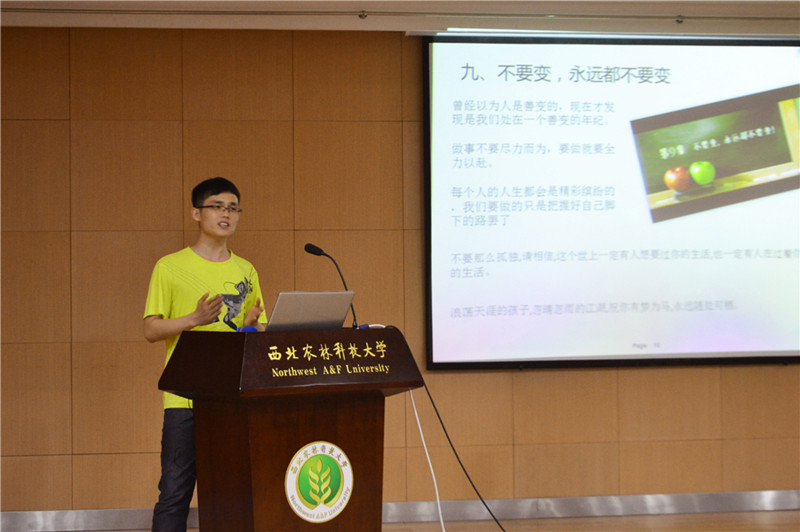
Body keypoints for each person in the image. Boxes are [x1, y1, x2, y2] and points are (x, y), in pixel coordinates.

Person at [143, 177, 267, 532]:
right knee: (175, 492)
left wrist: (252, 327)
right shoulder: (170, 266)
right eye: (217, 207)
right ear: (196, 213)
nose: (226, 214)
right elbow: (151, 330)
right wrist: (194, 319)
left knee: (233, 494)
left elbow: (256, 333)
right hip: (185, 399)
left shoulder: (246, 271)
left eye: (233, 208)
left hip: (233, 399)